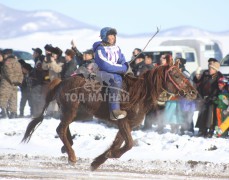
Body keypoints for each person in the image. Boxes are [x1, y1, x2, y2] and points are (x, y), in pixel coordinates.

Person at [92, 27, 128, 120]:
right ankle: (114, 111)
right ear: (104, 36)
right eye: (110, 35)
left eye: (114, 35)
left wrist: (125, 68)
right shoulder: (100, 48)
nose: (112, 37)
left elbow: (123, 61)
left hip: (116, 71)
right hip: (100, 72)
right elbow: (105, 65)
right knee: (116, 79)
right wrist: (122, 69)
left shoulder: (117, 48)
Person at [193, 59, 223, 138]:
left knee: (211, 115)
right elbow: (198, 83)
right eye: (209, 67)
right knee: (202, 114)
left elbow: (220, 88)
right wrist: (196, 77)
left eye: (211, 68)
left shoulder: (219, 76)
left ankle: (211, 129)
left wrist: (214, 97)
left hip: (213, 98)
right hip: (204, 97)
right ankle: (202, 129)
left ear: (215, 70)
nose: (209, 69)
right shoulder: (205, 74)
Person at [0, 49, 23, 118]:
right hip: (15, 84)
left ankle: (4, 113)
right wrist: (18, 81)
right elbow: (20, 73)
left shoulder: (7, 62)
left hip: (7, 83)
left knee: (3, 97)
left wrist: (12, 80)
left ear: (6, 55)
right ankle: (13, 113)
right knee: (13, 98)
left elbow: (8, 73)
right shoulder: (16, 62)